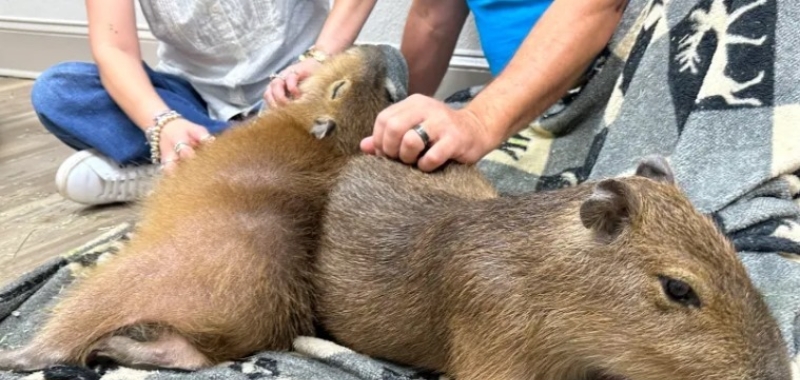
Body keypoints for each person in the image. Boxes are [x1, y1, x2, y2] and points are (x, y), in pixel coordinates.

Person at [31, 0, 377, 205]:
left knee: (376, 73)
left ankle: (179, 171)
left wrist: (320, 56)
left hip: (301, 87)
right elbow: (113, 49)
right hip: (194, 102)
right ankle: (251, 161)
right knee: (59, 91)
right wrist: (162, 122)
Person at [363, 0, 627, 172]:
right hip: (516, 106)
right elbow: (432, 18)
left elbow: (600, 6)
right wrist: (395, 126)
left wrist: (480, 121)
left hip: (615, 85)